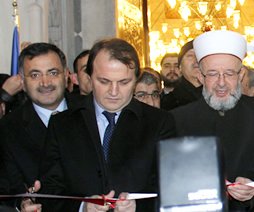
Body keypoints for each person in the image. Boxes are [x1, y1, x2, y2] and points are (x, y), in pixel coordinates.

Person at [38, 38, 176, 211]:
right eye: (104, 81)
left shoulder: (159, 122)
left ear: (135, 80)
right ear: (89, 78)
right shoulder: (63, 124)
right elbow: (49, 191)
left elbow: (172, 187)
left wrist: (137, 206)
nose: (113, 91)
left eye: (124, 82)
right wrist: (82, 206)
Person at [171, 30, 254, 211]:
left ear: (241, 75)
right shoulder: (177, 119)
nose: (221, 83)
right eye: (212, 74)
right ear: (200, 76)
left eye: (229, 73)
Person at [0, 43, 81, 210]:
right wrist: (21, 203)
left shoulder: (92, 112)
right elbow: (8, 187)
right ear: (22, 81)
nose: (45, 83)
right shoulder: (8, 129)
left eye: (52, 73)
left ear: (66, 76)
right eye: (35, 75)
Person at [160, 41, 202, 110]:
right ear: (180, 67)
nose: (196, 60)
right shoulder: (168, 102)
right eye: (190, 56)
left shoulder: (218, 95)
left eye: (199, 55)